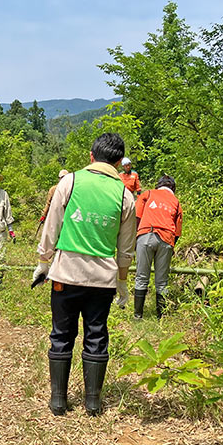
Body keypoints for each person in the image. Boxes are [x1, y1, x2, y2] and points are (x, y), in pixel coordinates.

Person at [33, 133, 136, 417]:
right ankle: (93, 403)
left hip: (66, 274)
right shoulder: (126, 195)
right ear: (118, 162)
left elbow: (51, 226)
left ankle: (58, 402)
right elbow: (125, 248)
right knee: (96, 335)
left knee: (62, 334)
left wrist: (44, 262)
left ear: (92, 156)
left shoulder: (70, 181)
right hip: (103, 281)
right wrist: (123, 282)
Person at [133, 175, 182, 319]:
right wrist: (171, 245)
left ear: (158, 185)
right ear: (173, 188)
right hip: (166, 239)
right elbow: (177, 230)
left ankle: (138, 316)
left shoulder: (147, 194)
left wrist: (137, 237)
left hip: (145, 235)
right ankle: (161, 317)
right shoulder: (176, 202)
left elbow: (136, 216)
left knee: (141, 277)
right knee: (162, 281)